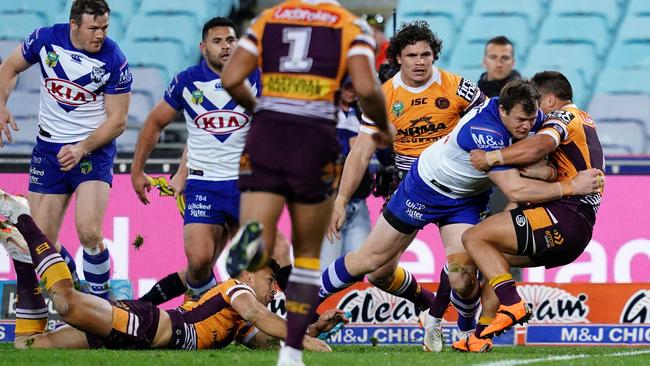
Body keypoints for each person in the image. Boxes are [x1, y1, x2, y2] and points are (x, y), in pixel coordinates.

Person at [319, 80, 603, 353]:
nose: (526, 126)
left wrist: (548, 171)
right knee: (372, 263)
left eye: (531, 120)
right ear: (502, 111)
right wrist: (569, 185)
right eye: (520, 121)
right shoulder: (484, 131)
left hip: (465, 200)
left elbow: (536, 153)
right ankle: (304, 305)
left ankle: (468, 337)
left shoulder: (527, 113)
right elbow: (514, 188)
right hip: (425, 188)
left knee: (464, 278)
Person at [221, 1, 391, 364]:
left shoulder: (268, 19)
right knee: (308, 257)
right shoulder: (349, 25)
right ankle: (291, 354)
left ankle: (254, 241)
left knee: (262, 239)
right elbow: (365, 85)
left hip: (266, 133)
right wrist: (383, 125)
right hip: (314, 137)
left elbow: (231, 78)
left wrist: (259, 108)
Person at [320, 21, 487, 353]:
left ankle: (468, 336)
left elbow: (490, 125)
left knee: (463, 277)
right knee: (378, 271)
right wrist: (340, 199)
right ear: (397, 58)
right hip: (413, 189)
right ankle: (428, 305)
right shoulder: (383, 98)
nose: (420, 61)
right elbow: (360, 152)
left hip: (459, 194)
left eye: (426, 54)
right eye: (412, 55)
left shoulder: (458, 88)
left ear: (434, 56)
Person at [0, 189, 341, 352]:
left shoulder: (238, 322)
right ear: (249, 276)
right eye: (270, 280)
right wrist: (303, 337)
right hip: (145, 327)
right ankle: (23, 217)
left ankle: (24, 258)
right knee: (66, 303)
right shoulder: (238, 292)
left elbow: (268, 342)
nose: (273, 290)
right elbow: (255, 310)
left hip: (137, 334)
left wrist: (314, 326)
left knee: (28, 348)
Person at [0, 0, 131, 299]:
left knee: (89, 232)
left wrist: (82, 147)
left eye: (105, 27)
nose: (101, 34)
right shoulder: (46, 39)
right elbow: (8, 68)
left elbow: (118, 121)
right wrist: (1, 104)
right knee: (41, 240)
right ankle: (74, 287)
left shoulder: (114, 60)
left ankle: (101, 302)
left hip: (92, 151)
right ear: (74, 24)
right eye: (94, 28)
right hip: (48, 150)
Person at [463, 71, 604, 343]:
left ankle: (513, 304)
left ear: (550, 99)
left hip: (563, 215)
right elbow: (551, 167)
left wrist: (493, 156)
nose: (535, 114)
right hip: (576, 228)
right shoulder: (587, 122)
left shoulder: (565, 116)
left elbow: (540, 145)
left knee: (473, 236)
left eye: (538, 103)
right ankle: (480, 337)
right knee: (494, 256)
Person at [131, 17, 261, 302]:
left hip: (246, 184)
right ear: (203, 47)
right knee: (200, 261)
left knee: (255, 266)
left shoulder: (255, 77)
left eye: (230, 40)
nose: (226, 47)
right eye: (217, 41)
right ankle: (203, 312)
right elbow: (155, 122)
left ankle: (292, 322)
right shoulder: (187, 81)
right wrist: (137, 170)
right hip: (203, 185)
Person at [320, 78, 373, 271]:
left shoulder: (364, 113)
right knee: (326, 267)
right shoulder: (323, 109)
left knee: (359, 266)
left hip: (358, 199)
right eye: (347, 85)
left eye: (354, 86)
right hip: (326, 200)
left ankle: (351, 302)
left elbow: (381, 151)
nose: (351, 90)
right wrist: (347, 143)